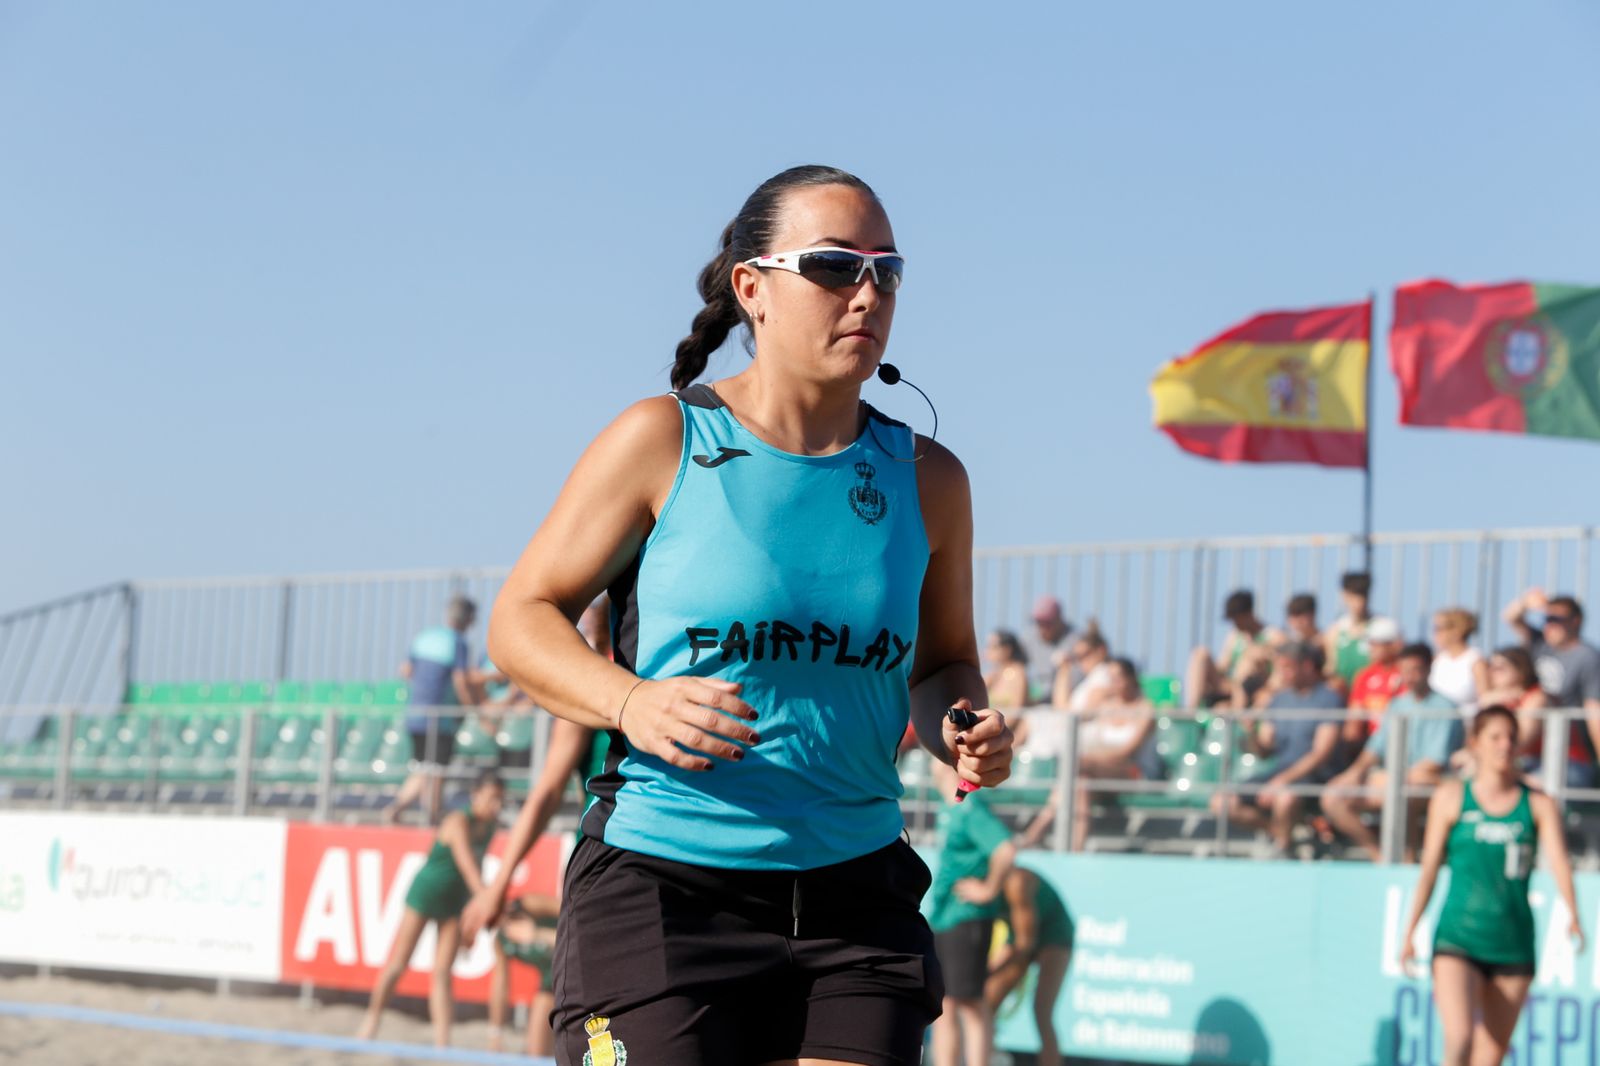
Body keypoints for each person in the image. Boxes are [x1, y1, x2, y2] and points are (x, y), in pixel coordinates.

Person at [485, 165, 1013, 1066]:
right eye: (836, 265)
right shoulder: (661, 441)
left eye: (887, 270)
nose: (868, 292)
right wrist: (629, 703)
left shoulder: (933, 479)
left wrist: (963, 729)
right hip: (664, 888)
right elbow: (520, 620)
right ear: (752, 288)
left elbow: (942, 667)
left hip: (856, 899)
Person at [1399, 706, 1584, 1066]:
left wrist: (1574, 914)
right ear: (1475, 744)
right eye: (1495, 737)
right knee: (1460, 1040)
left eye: (1511, 738)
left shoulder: (1538, 803)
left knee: (1491, 1056)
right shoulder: (1452, 797)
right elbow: (1429, 870)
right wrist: (1409, 930)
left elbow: (1560, 863)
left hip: (1512, 944)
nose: (1505, 745)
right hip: (1459, 938)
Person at [358, 770, 505, 1046]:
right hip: (426, 893)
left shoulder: (490, 825)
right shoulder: (457, 820)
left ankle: (442, 1042)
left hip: (456, 898)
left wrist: (476, 905)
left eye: (500, 800)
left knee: (442, 972)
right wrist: (486, 900)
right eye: (491, 798)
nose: (496, 805)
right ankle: (372, 1019)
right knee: (398, 963)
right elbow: (466, 863)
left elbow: (479, 864)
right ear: (475, 795)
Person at [1323, 644, 1463, 861]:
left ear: (1428, 670)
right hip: (1391, 779)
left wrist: (1392, 778)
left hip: (1427, 782)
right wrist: (1355, 772)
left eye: (1415, 670)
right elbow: (1376, 747)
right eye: (1405, 670)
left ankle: (1407, 861)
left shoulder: (1445, 708)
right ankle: (1379, 856)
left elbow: (1434, 762)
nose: (1409, 676)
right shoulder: (1397, 704)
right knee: (1333, 797)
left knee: (1405, 795)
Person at [1212, 643, 1343, 858]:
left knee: (1285, 798)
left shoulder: (1330, 699)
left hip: (1316, 777)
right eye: (1280, 668)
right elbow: (1264, 749)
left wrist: (1281, 781)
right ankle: (1286, 833)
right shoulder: (1278, 700)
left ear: (1307, 666)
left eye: (1287, 667)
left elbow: (1321, 754)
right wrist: (1251, 731)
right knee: (1222, 802)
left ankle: (1283, 850)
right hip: (1280, 773)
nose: (1282, 674)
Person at [928, 759, 1013, 1066]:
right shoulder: (948, 806)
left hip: (967, 917)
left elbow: (1005, 849)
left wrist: (989, 888)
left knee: (970, 1002)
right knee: (944, 1004)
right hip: (944, 915)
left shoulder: (970, 807)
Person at [385, 595, 480, 825]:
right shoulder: (457, 642)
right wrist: (471, 709)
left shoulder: (424, 637)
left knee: (422, 769)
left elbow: (406, 670)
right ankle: (433, 819)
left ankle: (396, 810)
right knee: (437, 770)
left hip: (415, 715)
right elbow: (460, 680)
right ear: (469, 619)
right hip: (440, 718)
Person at [1504, 588, 1600, 786]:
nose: (1550, 625)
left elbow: (1594, 711)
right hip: (1532, 752)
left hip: (1567, 751)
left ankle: (1509, 750)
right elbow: (1510, 617)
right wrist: (1526, 603)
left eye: (1557, 619)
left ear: (1576, 621)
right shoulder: (1539, 644)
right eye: (1547, 619)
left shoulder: (1587, 656)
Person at [985, 867, 1072, 1066]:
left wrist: (993, 969)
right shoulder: (985, 887)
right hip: (1022, 939)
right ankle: (985, 1056)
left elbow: (1025, 944)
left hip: (1055, 938)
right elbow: (1017, 942)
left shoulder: (1017, 883)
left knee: (1042, 1011)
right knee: (985, 1005)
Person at [488, 894, 561, 1057]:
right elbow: (500, 988)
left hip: (582, 973)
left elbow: (581, 923)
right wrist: (496, 1034)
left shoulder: (528, 905)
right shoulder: (501, 940)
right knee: (535, 1054)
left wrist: (538, 934)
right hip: (552, 982)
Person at [1183, 589, 1279, 710]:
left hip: (1254, 687)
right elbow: (1223, 667)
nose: (1235, 623)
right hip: (1231, 686)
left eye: (1237, 618)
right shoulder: (1235, 636)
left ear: (1248, 614)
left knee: (1248, 662)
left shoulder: (1272, 636)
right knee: (1200, 654)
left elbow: (1277, 670)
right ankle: (1192, 708)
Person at [1345, 617, 1404, 745]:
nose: (1370, 648)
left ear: (1393, 645)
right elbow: (1354, 722)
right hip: (1371, 745)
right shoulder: (1364, 675)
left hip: (1401, 742)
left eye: (1375, 643)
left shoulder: (1407, 674)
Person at [1323, 572, 1381, 696]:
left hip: (1372, 695)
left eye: (1363, 596)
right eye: (1354, 596)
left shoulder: (1381, 628)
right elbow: (1330, 667)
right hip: (1342, 696)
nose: (1359, 602)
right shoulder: (1335, 631)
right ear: (1344, 596)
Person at [1430, 608, 1488, 713]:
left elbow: (1484, 698)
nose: (1435, 634)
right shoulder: (1437, 659)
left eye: (1439, 628)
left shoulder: (1476, 660)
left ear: (1456, 631)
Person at [1019, 596, 1073, 704]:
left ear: (1059, 619)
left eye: (1047, 623)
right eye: (1039, 622)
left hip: (1065, 699)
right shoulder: (1028, 638)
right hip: (1034, 698)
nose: (1042, 627)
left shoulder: (1075, 640)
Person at [1054, 625, 1114, 711]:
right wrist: (1064, 670)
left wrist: (1064, 671)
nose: (1080, 661)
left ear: (1101, 651)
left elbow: (1064, 709)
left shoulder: (1103, 675)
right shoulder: (1093, 678)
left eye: (1085, 654)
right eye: (1077, 657)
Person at [984, 629, 1030, 710]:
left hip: (1006, 721)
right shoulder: (993, 675)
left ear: (1007, 649)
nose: (988, 651)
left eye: (993, 646)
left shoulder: (1018, 673)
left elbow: (1016, 711)